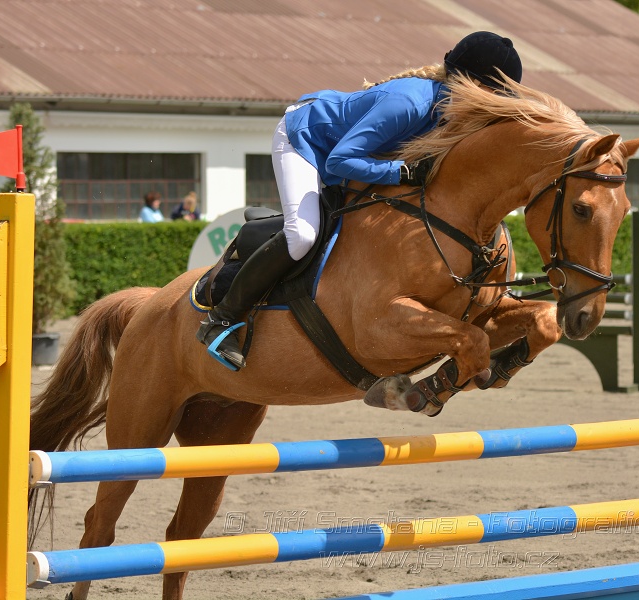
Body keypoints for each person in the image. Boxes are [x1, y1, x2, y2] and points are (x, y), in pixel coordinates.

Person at [197, 31, 523, 370]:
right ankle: (222, 320)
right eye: (495, 97)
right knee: (303, 235)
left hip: (345, 153)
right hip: (304, 139)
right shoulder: (410, 103)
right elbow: (338, 161)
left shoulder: (448, 115)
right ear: (472, 85)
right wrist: (400, 174)